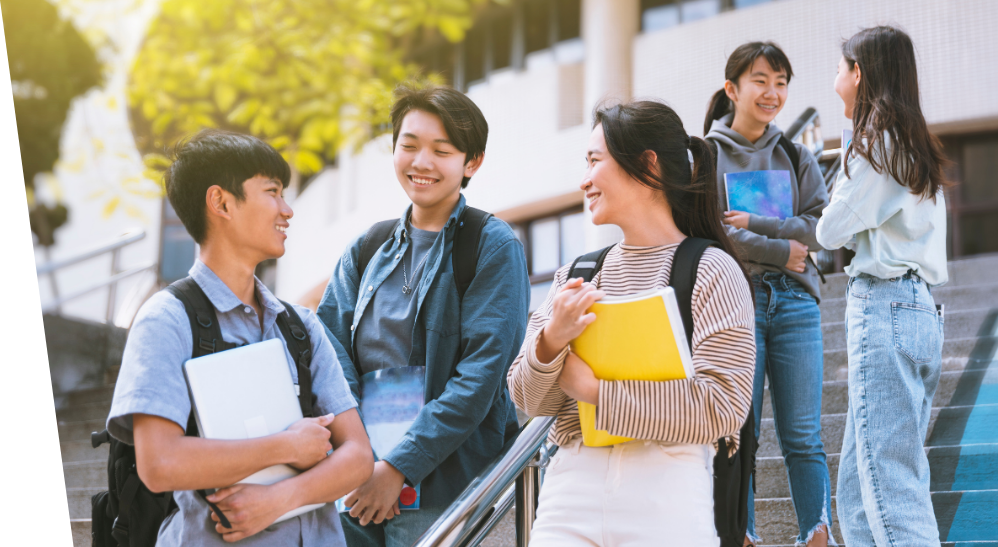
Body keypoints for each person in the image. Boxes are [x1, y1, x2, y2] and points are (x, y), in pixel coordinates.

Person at [106, 129, 374, 545]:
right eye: (272, 191)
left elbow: (357, 457)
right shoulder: (167, 320)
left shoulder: (301, 325)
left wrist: (278, 499)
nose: (287, 209)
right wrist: (285, 446)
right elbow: (158, 462)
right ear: (222, 202)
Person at [508, 100, 756, 547]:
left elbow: (724, 405)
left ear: (646, 165)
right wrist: (550, 341)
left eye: (594, 161)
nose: (584, 180)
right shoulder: (575, 275)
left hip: (669, 487)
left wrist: (595, 392)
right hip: (570, 489)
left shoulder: (712, 269)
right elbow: (526, 397)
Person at [316, 84, 530, 547]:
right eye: (409, 145)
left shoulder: (491, 246)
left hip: (443, 487)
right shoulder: (367, 247)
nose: (421, 162)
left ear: (471, 162)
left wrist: (398, 467)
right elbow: (327, 350)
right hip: (356, 480)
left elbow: (481, 378)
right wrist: (362, 457)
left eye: (442, 150)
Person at [818, 26, 949, 547]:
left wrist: (849, 153)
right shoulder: (913, 144)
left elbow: (830, 229)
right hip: (917, 309)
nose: (835, 81)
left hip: (885, 306)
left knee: (890, 487)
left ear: (860, 74)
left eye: (839, 69)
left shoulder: (877, 145)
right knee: (855, 490)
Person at [703, 41, 832, 547]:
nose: (772, 93)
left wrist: (754, 223)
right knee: (742, 431)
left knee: (803, 435)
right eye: (761, 80)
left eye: (781, 83)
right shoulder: (705, 156)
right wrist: (782, 249)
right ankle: (744, 536)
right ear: (733, 88)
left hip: (797, 305)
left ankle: (817, 533)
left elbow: (820, 230)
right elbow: (711, 229)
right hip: (739, 301)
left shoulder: (796, 155)